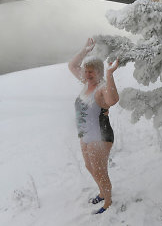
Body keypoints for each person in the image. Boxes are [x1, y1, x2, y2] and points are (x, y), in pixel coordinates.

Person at [68, 38, 119, 214]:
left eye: (91, 72)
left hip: (100, 136)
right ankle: (103, 193)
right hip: (85, 135)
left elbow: (113, 100)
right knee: (90, 167)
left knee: (100, 171)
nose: (87, 74)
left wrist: (110, 75)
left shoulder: (102, 87)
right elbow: (72, 65)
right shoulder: (86, 84)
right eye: (86, 71)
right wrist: (84, 51)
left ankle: (108, 201)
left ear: (99, 72)